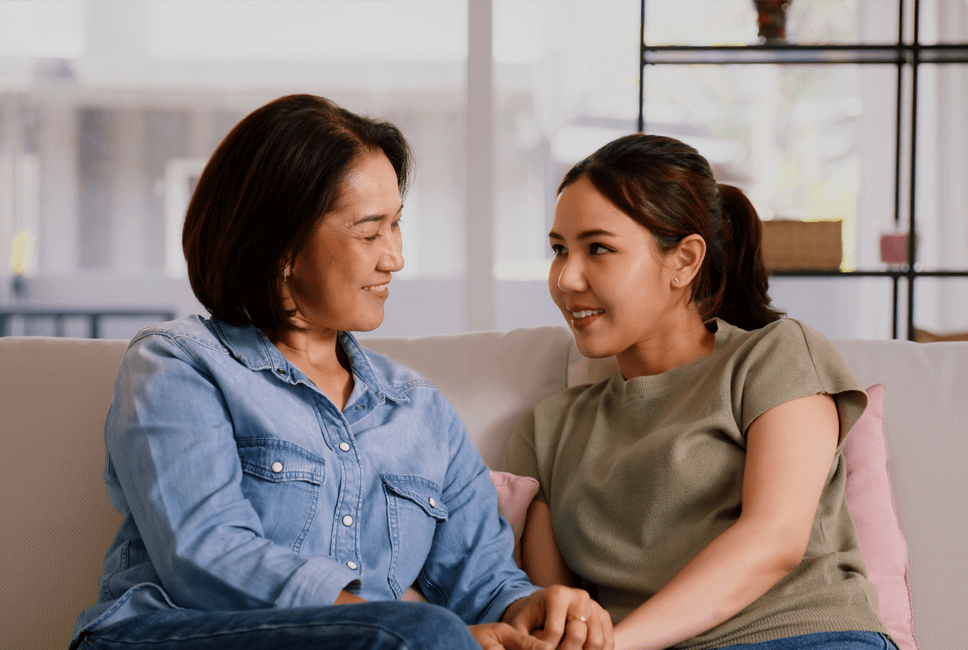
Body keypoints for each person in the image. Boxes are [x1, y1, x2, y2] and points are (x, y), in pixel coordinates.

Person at [69, 94, 613, 650]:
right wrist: (398, 628)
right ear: (282, 246)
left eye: (397, 225)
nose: (395, 257)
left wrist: (535, 609)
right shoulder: (178, 365)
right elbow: (207, 556)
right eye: (370, 231)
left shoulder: (419, 410)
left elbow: (485, 583)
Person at [506, 133, 897, 650]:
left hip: (806, 638)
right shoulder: (548, 428)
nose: (566, 278)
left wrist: (617, 646)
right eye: (559, 250)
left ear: (685, 260)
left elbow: (774, 539)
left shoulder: (774, 357)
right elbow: (560, 610)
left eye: (598, 248)